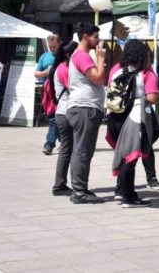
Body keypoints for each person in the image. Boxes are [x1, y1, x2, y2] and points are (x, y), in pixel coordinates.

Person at [109, 39, 159, 208]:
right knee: (130, 159)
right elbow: (152, 97)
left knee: (123, 156)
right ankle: (129, 198)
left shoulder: (116, 69)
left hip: (115, 118)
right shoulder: (144, 73)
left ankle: (124, 191)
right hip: (134, 119)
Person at [66, 22, 106, 204]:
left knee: (83, 149)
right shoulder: (82, 56)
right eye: (95, 37)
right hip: (85, 108)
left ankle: (80, 187)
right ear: (85, 37)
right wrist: (101, 59)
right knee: (83, 150)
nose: (98, 41)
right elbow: (98, 78)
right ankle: (79, 190)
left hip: (84, 107)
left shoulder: (79, 56)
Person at [49, 41, 78, 196]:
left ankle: (61, 184)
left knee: (67, 150)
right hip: (67, 112)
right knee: (69, 150)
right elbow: (75, 88)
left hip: (62, 111)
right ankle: (64, 184)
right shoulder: (64, 69)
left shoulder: (59, 67)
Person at [37, 35, 60, 155]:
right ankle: (64, 142)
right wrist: (44, 73)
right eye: (50, 47)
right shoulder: (44, 56)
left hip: (62, 90)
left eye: (54, 46)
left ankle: (49, 144)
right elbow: (36, 73)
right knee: (54, 118)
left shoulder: (65, 56)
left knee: (56, 119)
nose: (52, 49)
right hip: (49, 91)